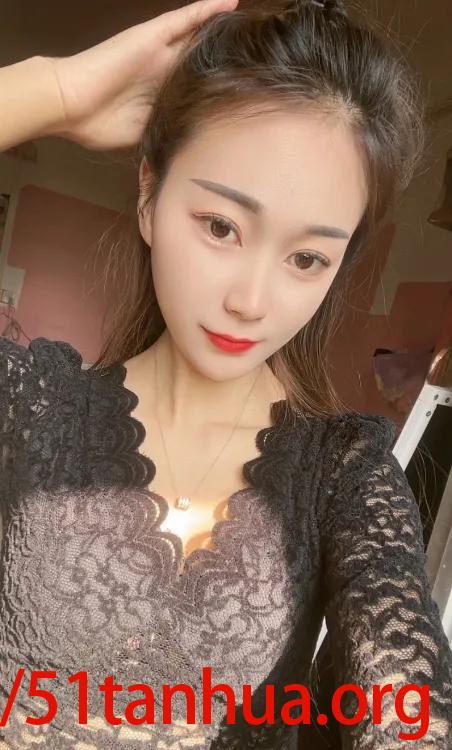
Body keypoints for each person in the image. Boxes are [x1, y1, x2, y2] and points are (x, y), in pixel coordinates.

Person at [0, 0, 451, 747]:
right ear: (149, 196)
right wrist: (55, 90)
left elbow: (408, 710)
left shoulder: (345, 474)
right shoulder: (28, 406)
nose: (251, 301)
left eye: (306, 258)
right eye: (221, 226)